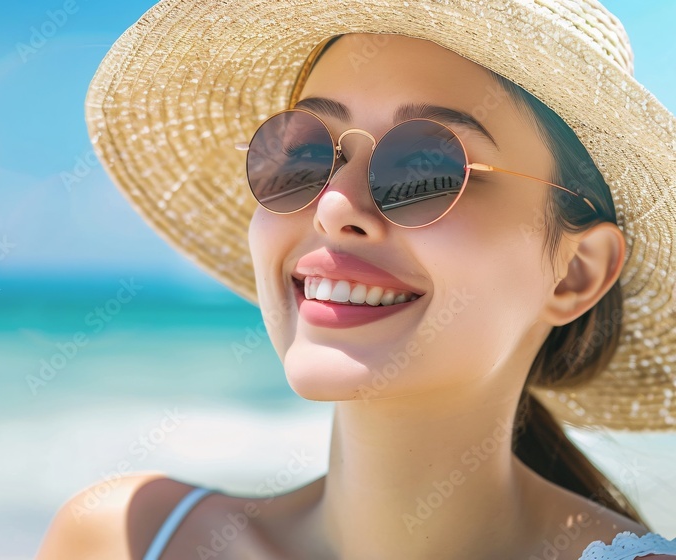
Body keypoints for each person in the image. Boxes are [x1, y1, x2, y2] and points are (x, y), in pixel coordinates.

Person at [37, 1, 676, 558]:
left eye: (426, 167)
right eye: (304, 152)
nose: (335, 206)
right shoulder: (125, 540)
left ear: (575, 273)